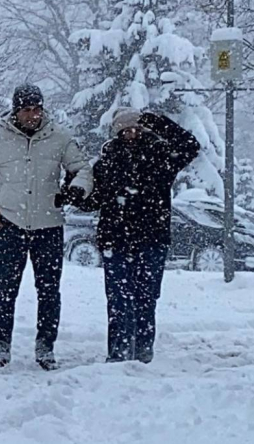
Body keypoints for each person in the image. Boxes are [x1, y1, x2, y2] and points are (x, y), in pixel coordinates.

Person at [0, 84, 93, 370]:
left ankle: (46, 347)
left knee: (49, 291)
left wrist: (77, 190)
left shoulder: (59, 137)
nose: (33, 115)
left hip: (49, 225)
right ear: (15, 111)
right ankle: (0, 347)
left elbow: (83, 169)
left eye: (37, 109)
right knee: (5, 290)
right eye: (26, 110)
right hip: (11, 223)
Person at [77, 108, 200, 364]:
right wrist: (74, 196)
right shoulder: (106, 162)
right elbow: (96, 199)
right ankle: (118, 353)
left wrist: (161, 123)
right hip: (116, 240)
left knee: (146, 298)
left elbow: (190, 146)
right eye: (125, 130)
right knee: (119, 300)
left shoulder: (159, 156)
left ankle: (144, 350)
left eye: (135, 128)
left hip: (152, 238)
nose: (131, 134)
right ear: (117, 132)